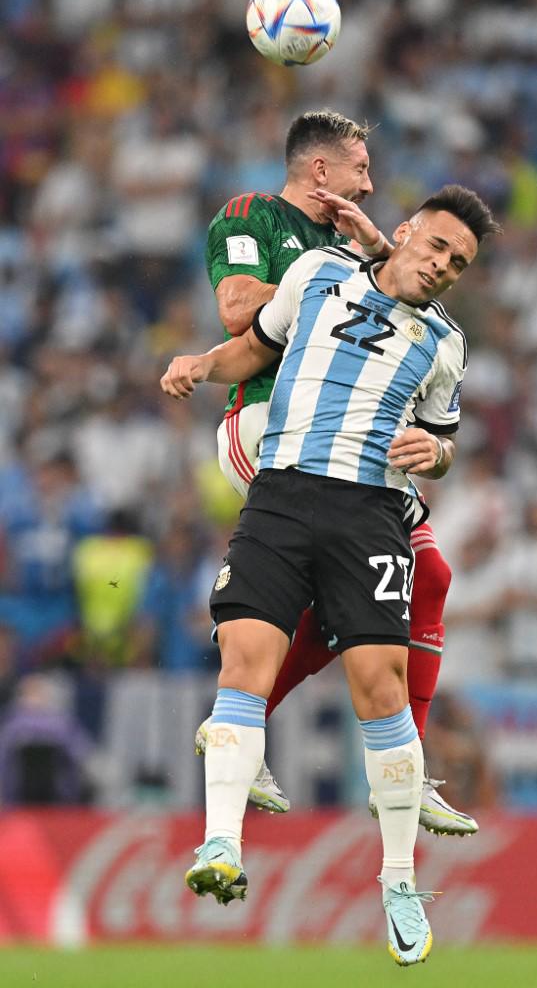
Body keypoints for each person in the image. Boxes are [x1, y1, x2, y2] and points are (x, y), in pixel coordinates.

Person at [161, 184, 502, 966]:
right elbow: (256, 349)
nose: (443, 266)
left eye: (459, 262)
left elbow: (443, 441)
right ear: (405, 233)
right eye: (438, 246)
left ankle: (399, 883)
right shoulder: (317, 273)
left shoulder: (444, 342)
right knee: (243, 665)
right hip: (280, 497)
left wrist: (436, 453)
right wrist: (202, 365)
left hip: (369, 516)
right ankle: (221, 843)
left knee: (381, 691)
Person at [195, 108, 477, 837]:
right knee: (347, 584)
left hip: (347, 436)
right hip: (268, 424)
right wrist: (354, 270)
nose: (370, 184)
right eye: (361, 168)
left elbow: (398, 313)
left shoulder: (351, 244)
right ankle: (248, 723)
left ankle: (399, 762)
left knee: (427, 578)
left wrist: (380, 259)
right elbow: (237, 309)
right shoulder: (254, 216)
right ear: (321, 169)